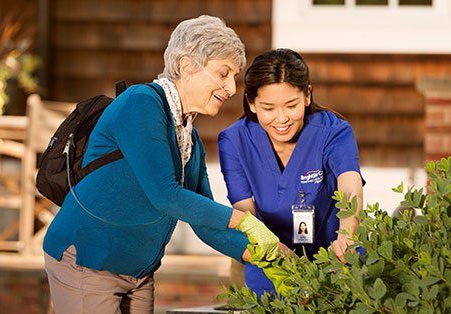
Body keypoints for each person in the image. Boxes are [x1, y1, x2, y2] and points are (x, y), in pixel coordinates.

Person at [42, 15, 279, 314]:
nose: (232, 87)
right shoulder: (141, 103)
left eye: (234, 75)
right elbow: (164, 195)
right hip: (88, 261)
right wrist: (245, 221)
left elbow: (203, 222)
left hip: (139, 273)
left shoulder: (188, 137)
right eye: (223, 73)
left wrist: (262, 255)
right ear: (186, 66)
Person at [218, 48, 365, 296]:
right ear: (251, 103)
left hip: (335, 251)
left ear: (307, 96)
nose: (281, 119)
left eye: (291, 105)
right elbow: (244, 211)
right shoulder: (233, 141)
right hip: (269, 255)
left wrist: (348, 231)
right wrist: (274, 249)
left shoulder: (334, 131)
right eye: (268, 108)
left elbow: (349, 183)